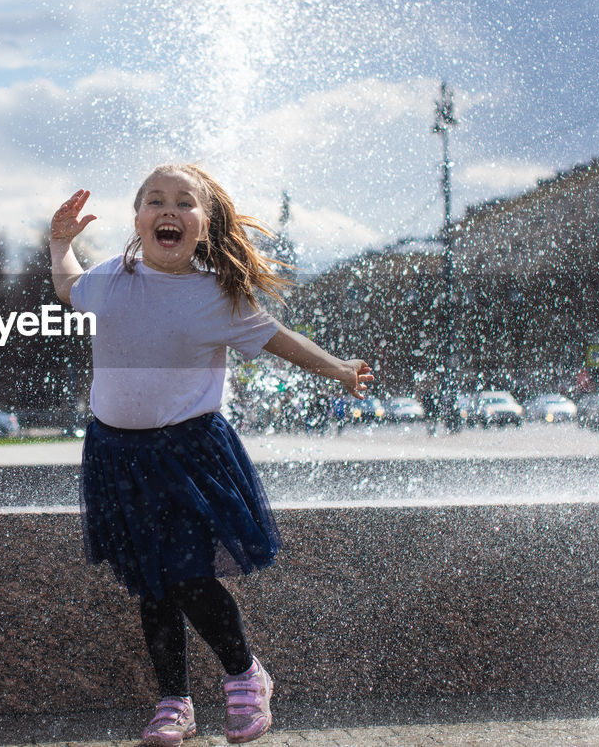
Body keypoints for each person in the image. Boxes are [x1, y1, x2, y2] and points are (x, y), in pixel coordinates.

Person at [50, 165, 373, 746]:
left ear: (204, 226)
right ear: (138, 220)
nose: (167, 209)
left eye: (183, 203)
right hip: (116, 457)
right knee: (152, 586)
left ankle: (245, 674)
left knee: (190, 577)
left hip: (188, 457)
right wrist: (59, 244)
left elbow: (280, 339)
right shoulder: (109, 280)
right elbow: (66, 286)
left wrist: (339, 369)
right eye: (155, 200)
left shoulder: (216, 296)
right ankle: (174, 701)